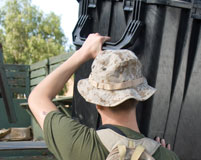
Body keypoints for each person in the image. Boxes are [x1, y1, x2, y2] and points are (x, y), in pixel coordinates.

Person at [28, 33, 179, 160]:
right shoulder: (167, 156)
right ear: (138, 97)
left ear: (97, 102)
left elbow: (37, 98)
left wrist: (83, 53)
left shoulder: (77, 142)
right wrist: (163, 153)